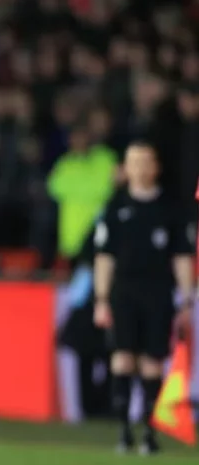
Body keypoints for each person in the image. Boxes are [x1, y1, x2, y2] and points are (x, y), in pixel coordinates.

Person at [93, 141, 195, 455]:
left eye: (145, 161)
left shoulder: (170, 208)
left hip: (158, 292)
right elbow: (104, 257)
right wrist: (101, 298)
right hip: (123, 291)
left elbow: (182, 257)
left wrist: (187, 301)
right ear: (125, 167)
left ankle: (150, 433)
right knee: (123, 356)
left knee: (153, 361)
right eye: (133, 161)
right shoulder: (114, 206)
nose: (139, 168)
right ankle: (124, 432)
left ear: (156, 167)